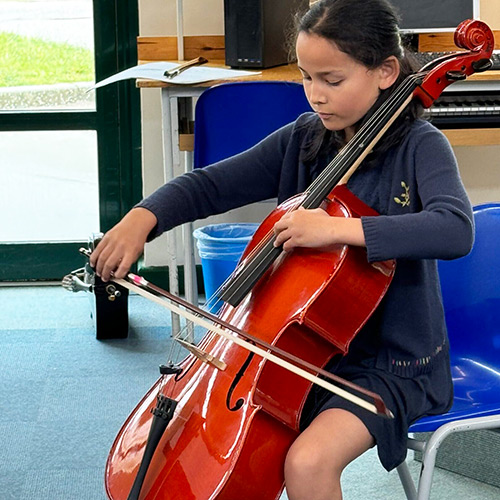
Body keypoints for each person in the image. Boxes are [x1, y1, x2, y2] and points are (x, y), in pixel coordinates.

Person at [91, 0, 474, 498]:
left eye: (331, 80)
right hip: (299, 357)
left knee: (307, 464)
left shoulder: (420, 146)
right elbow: (209, 185)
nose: (316, 95)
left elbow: (454, 229)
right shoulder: (305, 140)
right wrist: (142, 218)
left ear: (385, 72)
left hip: (389, 365)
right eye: (306, 78)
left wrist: (341, 230)